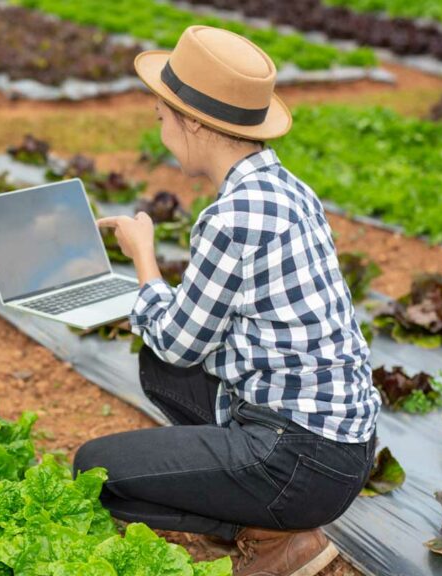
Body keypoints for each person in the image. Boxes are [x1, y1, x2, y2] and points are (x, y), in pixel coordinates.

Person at [75, 25, 382, 576]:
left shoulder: (231, 216)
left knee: (94, 470)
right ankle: (253, 499)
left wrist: (142, 258)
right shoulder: (287, 188)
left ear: (193, 120)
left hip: (301, 462)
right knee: (159, 367)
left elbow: (176, 341)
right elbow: (187, 341)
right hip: (346, 447)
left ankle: (268, 535)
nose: (157, 117)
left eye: (163, 108)